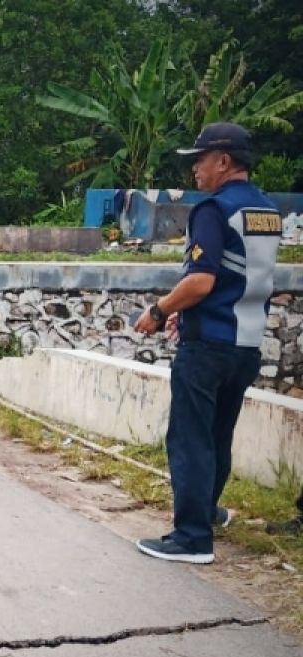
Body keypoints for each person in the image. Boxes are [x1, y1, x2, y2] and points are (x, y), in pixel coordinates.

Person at [134, 122, 282, 564]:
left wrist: (160, 311)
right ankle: (208, 511)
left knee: (190, 438)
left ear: (223, 161)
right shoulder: (265, 210)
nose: (195, 168)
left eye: (199, 159)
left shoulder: (212, 210)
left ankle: (192, 536)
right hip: (247, 344)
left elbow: (200, 280)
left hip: (209, 343)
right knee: (218, 434)